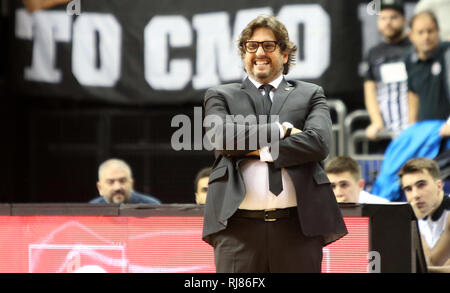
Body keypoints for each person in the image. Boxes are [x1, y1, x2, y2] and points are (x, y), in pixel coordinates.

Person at [201, 15, 347, 273]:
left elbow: (319, 143)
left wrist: (259, 149)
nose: (259, 52)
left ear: (285, 53)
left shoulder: (310, 93)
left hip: (297, 229)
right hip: (237, 230)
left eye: (268, 46)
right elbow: (222, 138)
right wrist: (282, 131)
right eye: (251, 46)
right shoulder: (220, 95)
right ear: (243, 52)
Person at [362, 0, 411, 140]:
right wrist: (377, 121)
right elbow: (370, 90)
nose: (388, 22)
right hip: (387, 131)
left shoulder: (415, 48)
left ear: (404, 20)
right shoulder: (374, 53)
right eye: (383, 18)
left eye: (393, 17)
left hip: (414, 126)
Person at [398, 158, 450, 271]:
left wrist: (414, 223)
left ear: (439, 186)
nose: (415, 195)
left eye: (421, 185)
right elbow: (428, 263)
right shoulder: (409, 215)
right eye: (408, 189)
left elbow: (426, 265)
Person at [405, 10, 450, 134]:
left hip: (447, 129)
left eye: (430, 31)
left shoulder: (447, 53)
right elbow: (413, 93)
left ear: (438, 32)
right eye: (420, 32)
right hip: (426, 133)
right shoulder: (410, 60)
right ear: (411, 36)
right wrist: (411, 124)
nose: (426, 36)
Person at [89, 158, 161, 204]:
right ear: (100, 188)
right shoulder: (91, 210)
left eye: (122, 181)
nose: (117, 187)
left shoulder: (151, 206)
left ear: (131, 184)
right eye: (111, 182)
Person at [325, 156, 389, 204]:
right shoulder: (321, 209)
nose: (338, 193)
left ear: (360, 185)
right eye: (332, 186)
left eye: (344, 185)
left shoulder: (382, 207)